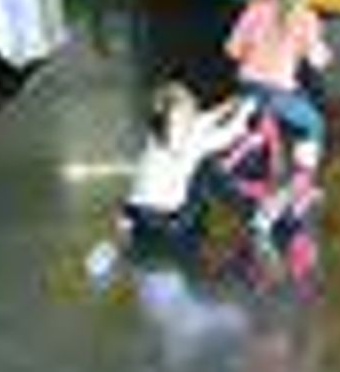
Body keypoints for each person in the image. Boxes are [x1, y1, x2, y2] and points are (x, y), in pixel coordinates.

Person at [85, 82, 247, 281]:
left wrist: (226, 107)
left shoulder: (156, 138)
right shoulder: (190, 145)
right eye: (187, 116)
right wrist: (246, 111)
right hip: (171, 221)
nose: (191, 120)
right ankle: (202, 247)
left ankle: (117, 254)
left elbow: (199, 122)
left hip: (138, 214)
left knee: (136, 244)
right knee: (204, 173)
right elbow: (228, 134)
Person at [226, 0, 332, 166]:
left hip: (247, 85)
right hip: (277, 90)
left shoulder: (253, 11)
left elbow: (232, 50)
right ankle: (304, 174)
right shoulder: (304, 18)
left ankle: (255, 143)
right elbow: (316, 60)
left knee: (273, 115)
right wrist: (323, 55)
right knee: (314, 125)